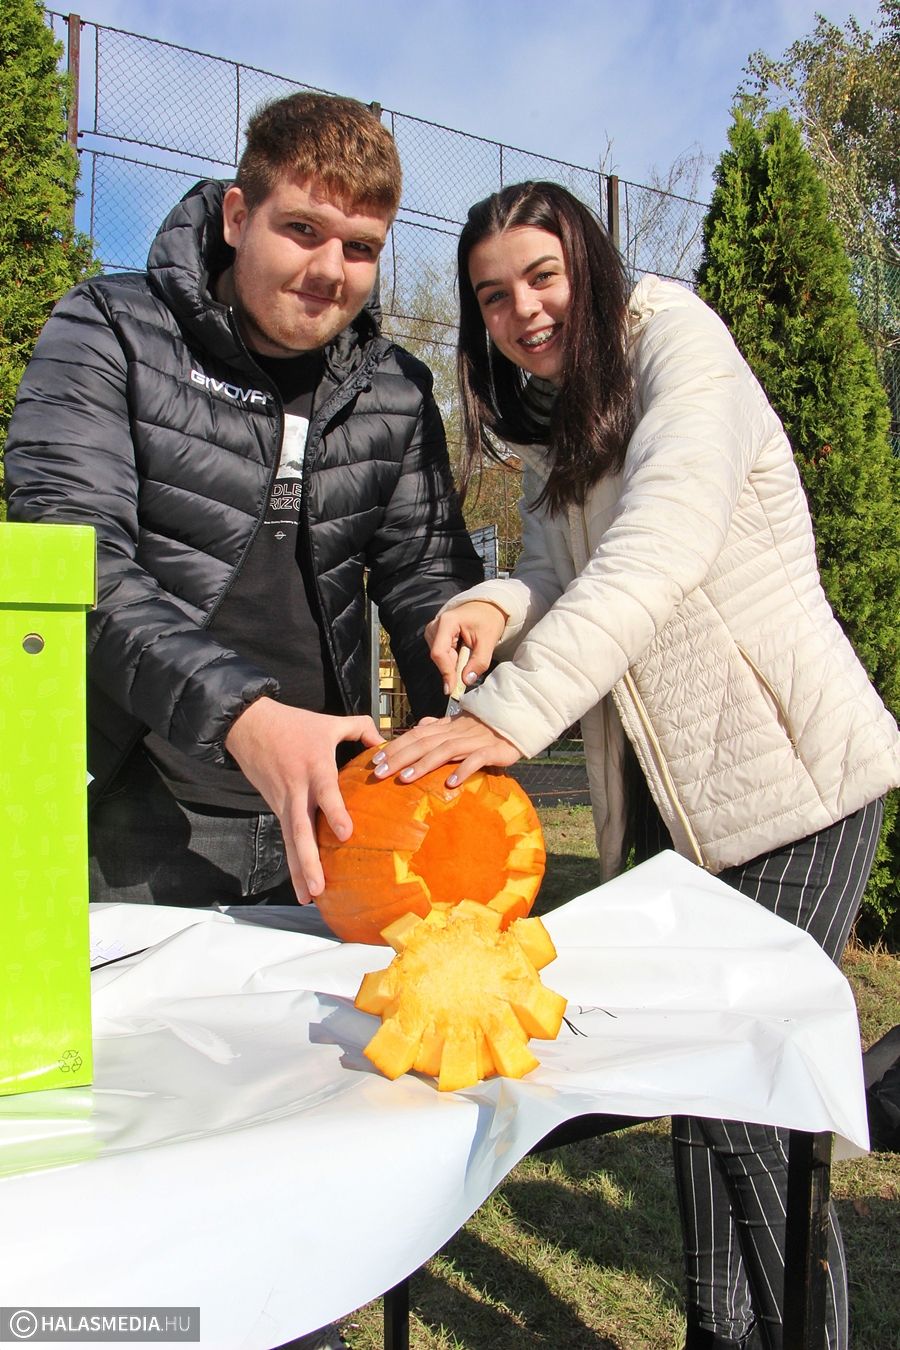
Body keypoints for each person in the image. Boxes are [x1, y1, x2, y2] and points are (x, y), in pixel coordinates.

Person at [372, 180, 900, 1350]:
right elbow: (558, 575)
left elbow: (658, 548)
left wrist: (505, 718)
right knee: (702, 1098)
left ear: (592, 265)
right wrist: (494, 606)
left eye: (543, 276)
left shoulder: (681, 348)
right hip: (667, 803)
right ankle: (722, 1334)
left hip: (794, 783)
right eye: (493, 296)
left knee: (757, 1106)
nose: (523, 311)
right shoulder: (559, 416)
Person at [5, 91, 482, 914]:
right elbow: (75, 564)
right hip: (139, 811)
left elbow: (424, 577)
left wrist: (463, 706)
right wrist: (245, 716)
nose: (330, 269)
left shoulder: (396, 389)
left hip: (340, 812)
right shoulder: (110, 330)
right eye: (302, 228)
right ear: (236, 217)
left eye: (361, 247)